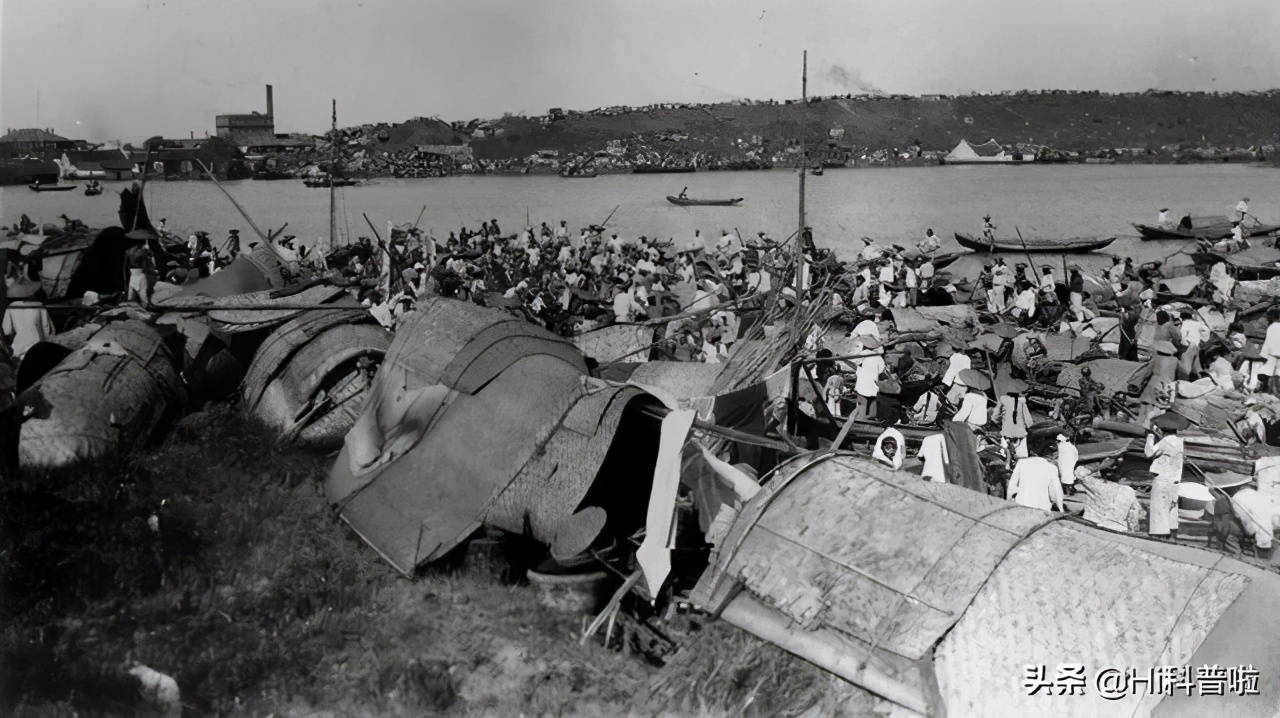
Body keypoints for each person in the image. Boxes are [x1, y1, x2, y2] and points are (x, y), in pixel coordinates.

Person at [1144, 412, 1186, 539]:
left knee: (1159, 508)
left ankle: (1159, 534)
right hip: (1175, 479)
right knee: (1171, 507)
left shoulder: (1165, 441)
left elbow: (1148, 453)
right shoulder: (1180, 442)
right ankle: (1171, 533)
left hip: (1163, 479)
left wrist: (1150, 436)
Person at [1076, 464, 1142, 532]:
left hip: (1094, 527)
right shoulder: (1129, 491)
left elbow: (1078, 472)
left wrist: (1101, 465)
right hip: (1118, 528)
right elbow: (1133, 516)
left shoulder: (1098, 484)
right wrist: (1133, 531)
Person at [853, 337, 885, 420]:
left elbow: (855, 361)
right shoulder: (879, 357)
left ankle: (861, 418)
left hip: (863, 383)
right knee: (872, 405)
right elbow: (881, 369)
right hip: (873, 383)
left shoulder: (864, 354)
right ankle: (870, 418)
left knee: (862, 402)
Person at [997, 387, 1032, 458]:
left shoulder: (1002, 401)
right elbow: (1029, 421)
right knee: (1022, 457)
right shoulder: (1022, 402)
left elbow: (995, 417)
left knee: (1004, 456)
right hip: (1020, 433)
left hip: (1006, 433)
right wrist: (1028, 427)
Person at [1261, 307, 1280, 394]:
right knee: (1278, 373)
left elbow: (1267, 342)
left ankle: (1268, 390)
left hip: (1272, 354)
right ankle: (1277, 392)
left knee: (1267, 372)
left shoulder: (1271, 327)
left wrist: (1263, 354)